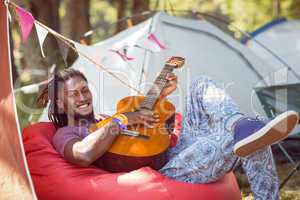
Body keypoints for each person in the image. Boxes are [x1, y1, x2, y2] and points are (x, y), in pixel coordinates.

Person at [37, 68, 299, 200]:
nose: (83, 97)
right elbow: (82, 154)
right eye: (74, 94)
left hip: (172, 153)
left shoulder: (105, 117)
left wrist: (159, 96)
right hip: (166, 172)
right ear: (60, 103)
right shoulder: (67, 132)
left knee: (201, 84)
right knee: (235, 142)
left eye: (85, 90)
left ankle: (239, 122)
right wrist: (125, 118)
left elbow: (145, 135)